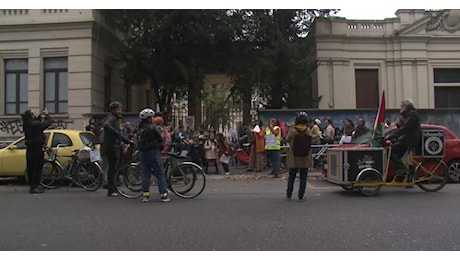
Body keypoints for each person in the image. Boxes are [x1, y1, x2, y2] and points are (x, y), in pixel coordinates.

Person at [137, 108, 170, 203]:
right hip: (154, 152)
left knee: (145, 175)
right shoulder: (153, 127)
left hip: (143, 153)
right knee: (160, 174)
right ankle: (164, 195)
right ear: (149, 119)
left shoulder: (140, 129)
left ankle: (146, 196)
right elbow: (160, 139)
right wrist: (160, 147)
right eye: (152, 117)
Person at [385, 99, 421, 181]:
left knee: (390, 151)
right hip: (407, 139)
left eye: (402, 106)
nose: (400, 107)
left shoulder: (412, 114)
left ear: (406, 107)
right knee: (396, 154)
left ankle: (402, 170)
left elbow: (405, 128)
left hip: (409, 139)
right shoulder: (409, 115)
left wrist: (390, 136)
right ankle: (403, 173)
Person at [103, 101, 133, 197]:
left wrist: (126, 140)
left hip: (115, 146)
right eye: (118, 109)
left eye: (120, 109)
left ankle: (114, 188)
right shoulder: (111, 118)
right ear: (113, 110)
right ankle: (111, 190)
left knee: (115, 168)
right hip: (112, 147)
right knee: (112, 169)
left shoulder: (115, 119)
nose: (120, 111)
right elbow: (106, 125)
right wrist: (117, 134)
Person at [21, 108, 52, 194]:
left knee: (33, 168)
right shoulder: (32, 124)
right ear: (30, 116)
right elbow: (45, 124)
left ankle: (35, 185)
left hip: (32, 148)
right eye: (33, 114)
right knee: (36, 168)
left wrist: (39, 116)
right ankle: (34, 186)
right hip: (36, 148)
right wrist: (47, 116)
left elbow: (37, 124)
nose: (34, 114)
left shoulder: (28, 124)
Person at [285, 112, 312, 201]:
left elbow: (287, 139)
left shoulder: (293, 131)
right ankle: (301, 195)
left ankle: (289, 194)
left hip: (294, 156)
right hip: (305, 157)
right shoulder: (307, 130)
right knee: (303, 177)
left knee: (291, 176)